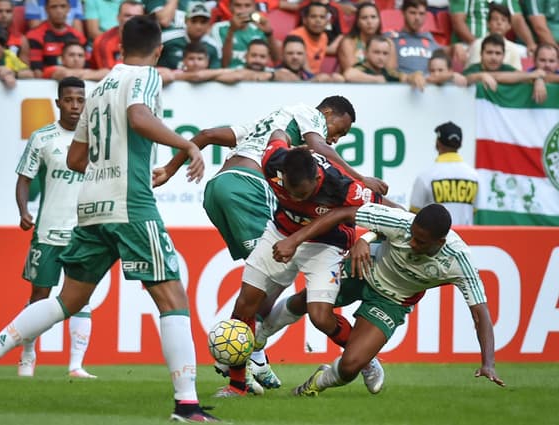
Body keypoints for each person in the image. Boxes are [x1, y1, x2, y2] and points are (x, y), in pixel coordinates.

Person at [0, 15, 218, 423]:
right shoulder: (146, 75)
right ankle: (187, 405)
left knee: (70, 299)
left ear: (118, 48)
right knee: (173, 299)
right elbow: (138, 117)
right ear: (157, 52)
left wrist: (111, 167)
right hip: (130, 204)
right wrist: (186, 144)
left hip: (91, 208)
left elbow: (77, 158)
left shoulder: (100, 89)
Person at [154, 96, 389, 395]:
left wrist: (401, 221)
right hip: (274, 220)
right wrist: (361, 175)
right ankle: (241, 377)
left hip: (322, 242)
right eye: (338, 130)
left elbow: (374, 205)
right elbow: (318, 145)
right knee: (248, 300)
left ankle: (358, 357)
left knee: (319, 316)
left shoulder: (324, 172)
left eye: (341, 137)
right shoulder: (299, 127)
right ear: (326, 113)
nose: (336, 138)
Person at [211, 134, 395, 398]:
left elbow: (386, 210)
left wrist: (411, 222)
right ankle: (237, 386)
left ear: (317, 179)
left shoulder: (343, 186)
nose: (297, 199)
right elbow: (278, 135)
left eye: (305, 195)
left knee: (321, 317)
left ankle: (365, 360)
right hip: (279, 234)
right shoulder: (272, 159)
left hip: (326, 245)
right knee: (244, 306)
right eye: (291, 191)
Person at [269, 202, 505, 396]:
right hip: (363, 268)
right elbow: (342, 213)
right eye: (412, 235)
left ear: (439, 243)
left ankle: (316, 384)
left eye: (420, 242)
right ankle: (258, 340)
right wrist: (295, 240)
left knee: (350, 366)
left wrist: (488, 363)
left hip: (392, 300)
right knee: (306, 302)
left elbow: (480, 313)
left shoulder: (458, 260)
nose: (412, 242)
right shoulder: (401, 222)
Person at [15, 77, 97, 379]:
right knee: (40, 295)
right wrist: (24, 211)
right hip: (48, 230)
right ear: (58, 102)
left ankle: (76, 365)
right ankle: (27, 354)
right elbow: (24, 178)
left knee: (82, 296)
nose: (75, 105)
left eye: (80, 99)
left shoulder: (96, 139)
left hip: (85, 231)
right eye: (69, 100)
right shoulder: (42, 137)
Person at [410, 122, 479, 225]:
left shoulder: (426, 176)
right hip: (465, 239)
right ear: (460, 144)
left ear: (438, 143)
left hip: (435, 239)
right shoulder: (474, 176)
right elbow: (473, 211)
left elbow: (413, 214)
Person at [463, 34, 546, 93]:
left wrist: (538, 80)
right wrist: (480, 76)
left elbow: (522, 76)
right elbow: (466, 79)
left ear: (503, 56)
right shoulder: (473, 69)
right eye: (489, 52)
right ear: (481, 54)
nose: (494, 57)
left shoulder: (507, 68)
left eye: (498, 53)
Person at [210, 0, 281, 68]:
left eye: (247, 6)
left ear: (254, 8)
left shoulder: (259, 28)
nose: (243, 10)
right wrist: (231, 31)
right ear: (230, 7)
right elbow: (224, 65)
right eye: (238, 5)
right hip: (231, 74)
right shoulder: (219, 28)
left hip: (257, 74)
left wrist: (269, 34)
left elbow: (276, 61)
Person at [26, 0, 86, 78]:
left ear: (69, 9)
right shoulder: (35, 36)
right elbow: (37, 72)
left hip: (76, 81)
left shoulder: (78, 36)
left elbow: (87, 67)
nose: (59, 11)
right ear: (46, 9)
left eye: (63, 6)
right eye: (54, 7)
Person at [343, 34, 427, 90]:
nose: (381, 57)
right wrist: (376, 79)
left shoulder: (388, 72)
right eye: (376, 52)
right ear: (366, 53)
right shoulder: (361, 67)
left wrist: (416, 76)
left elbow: (405, 77)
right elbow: (349, 74)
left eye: (385, 53)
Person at [158, 2, 221, 70]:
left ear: (209, 24)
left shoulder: (213, 46)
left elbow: (215, 72)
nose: (198, 26)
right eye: (194, 21)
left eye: (203, 22)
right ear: (185, 21)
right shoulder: (166, 38)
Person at [465, 3, 523, 71]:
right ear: (488, 24)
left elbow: (517, 75)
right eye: (495, 19)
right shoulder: (478, 44)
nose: (499, 23)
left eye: (503, 20)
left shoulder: (513, 49)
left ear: (509, 26)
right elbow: (472, 73)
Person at [91, 0, 144, 70]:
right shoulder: (104, 42)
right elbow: (111, 74)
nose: (133, 20)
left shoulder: (151, 39)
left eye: (137, 16)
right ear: (118, 18)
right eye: (128, 16)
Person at [336, 1, 381, 72]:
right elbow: (351, 73)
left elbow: (390, 72)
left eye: (373, 17)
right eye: (364, 18)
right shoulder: (348, 43)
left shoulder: (387, 43)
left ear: (379, 20)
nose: (369, 21)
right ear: (358, 22)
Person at [43, 41, 109, 80]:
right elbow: (66, 75)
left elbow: (107, 72)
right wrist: (91, 74)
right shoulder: (52, 69)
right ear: (62, 59)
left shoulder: (88, 70)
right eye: (71, 55)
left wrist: (81, 75)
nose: (76, 59)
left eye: (80, 55)